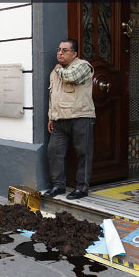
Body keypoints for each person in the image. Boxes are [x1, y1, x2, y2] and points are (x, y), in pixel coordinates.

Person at [43, 38, 95, 200]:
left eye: (65, 50)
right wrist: (51, 116)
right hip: (60, 120)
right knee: (54, 152)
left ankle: (82, 187)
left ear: (75, 54)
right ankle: (58, 185)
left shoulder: (83, 66)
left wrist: (58, 70)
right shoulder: (56, 71)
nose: (60, 52)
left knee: (83, 153)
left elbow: (72, 77)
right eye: (59, 49)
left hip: (81, 117)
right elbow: (53, 96)